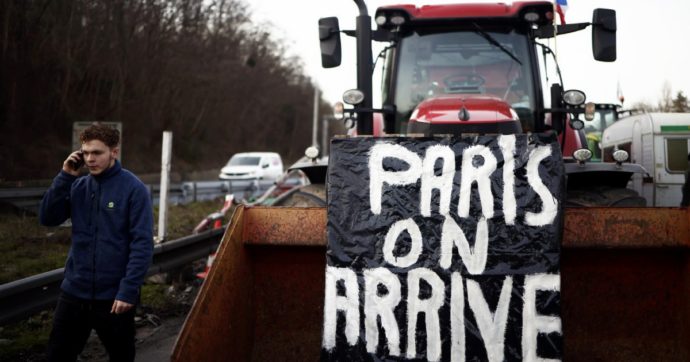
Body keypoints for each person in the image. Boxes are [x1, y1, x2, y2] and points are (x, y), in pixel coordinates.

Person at [39, 124, 153, 361]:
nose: (90, 159)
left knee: (121, 357)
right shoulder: (78, 186)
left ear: (114, 152)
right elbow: (48, 217)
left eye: (97, 153)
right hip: (74, 292)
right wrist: (65, 176)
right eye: (86, 153)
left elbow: (142, 244)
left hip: (113, 297)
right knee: (56, 356)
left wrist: (128, 290)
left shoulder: (134, 189)